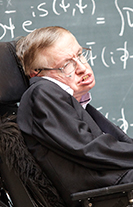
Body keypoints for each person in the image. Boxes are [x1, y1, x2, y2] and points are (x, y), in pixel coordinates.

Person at [16, 26, 133, 206]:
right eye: (66, 66)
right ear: (36, 74)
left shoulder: (66, 100)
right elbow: (88, 148)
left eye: (79, 55)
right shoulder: (41, 92)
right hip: (104, 189)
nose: (81, 67)